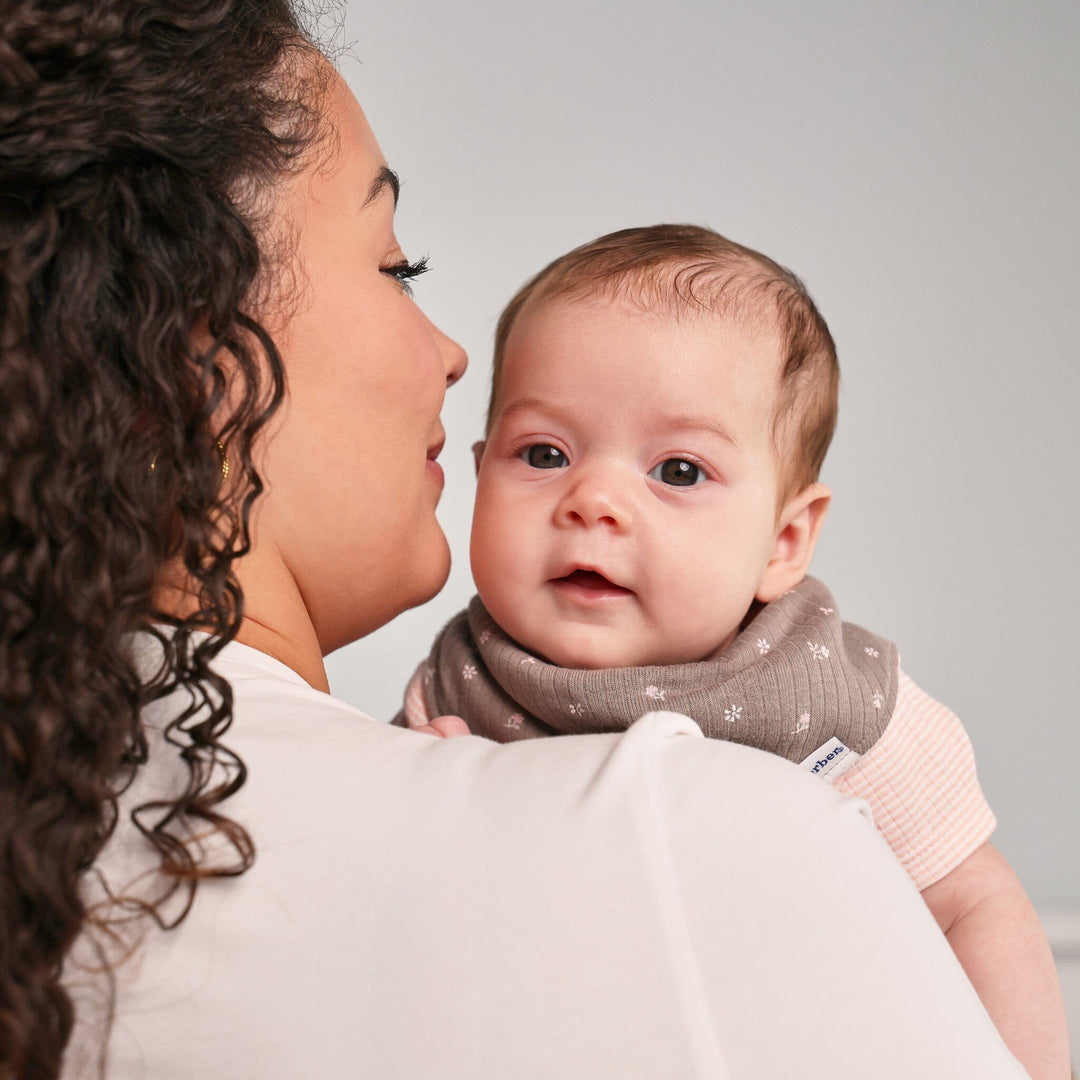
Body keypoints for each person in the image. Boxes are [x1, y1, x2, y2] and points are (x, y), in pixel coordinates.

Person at [0, 2, 1035, 1078]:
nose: (452, 353)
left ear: (789, 537)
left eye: (679, 472)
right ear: (191, 351)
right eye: (396, 267)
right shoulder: (695, 837)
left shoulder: (48, 829)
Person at [400, 224, 1071, 1077]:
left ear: (784, 543)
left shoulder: (830, 700)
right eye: (543, 454)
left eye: (678, 472)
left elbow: (970, 904)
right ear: (478, 471)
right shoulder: (462, 686)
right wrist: (417, 790)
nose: (593, 499)